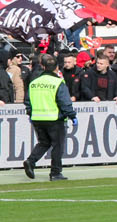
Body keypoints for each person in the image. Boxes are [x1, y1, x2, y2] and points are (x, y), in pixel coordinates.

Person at [22, 53, 77, 181]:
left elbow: (27, 101)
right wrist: (72, 116)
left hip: (37, 118)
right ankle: (55, 172)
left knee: (44, 142)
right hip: (54, 119)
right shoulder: (58, 82)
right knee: (57, 145)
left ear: (43, 67)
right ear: (57, 67)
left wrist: (31, 113)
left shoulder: (34, 83)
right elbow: (64, 101)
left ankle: (31, 161)